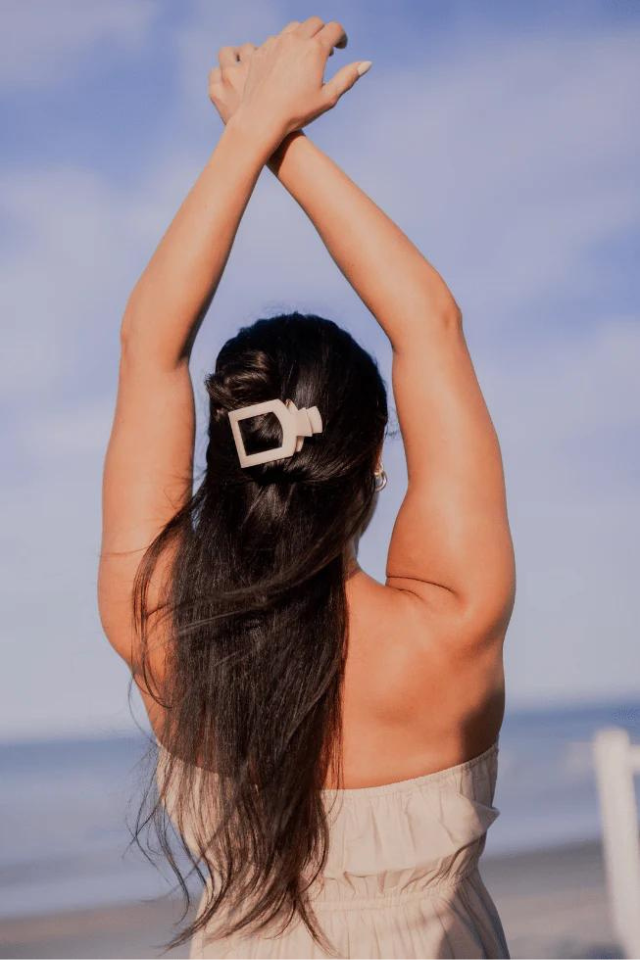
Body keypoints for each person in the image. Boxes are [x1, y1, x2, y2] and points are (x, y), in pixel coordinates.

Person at [98, 16, 515, 960]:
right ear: (372, 460)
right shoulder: (453, 624)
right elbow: (430, 325)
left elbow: (148, 349)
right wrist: (278, 138)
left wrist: (252, 131)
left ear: (222, 463)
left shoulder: (159, 625)